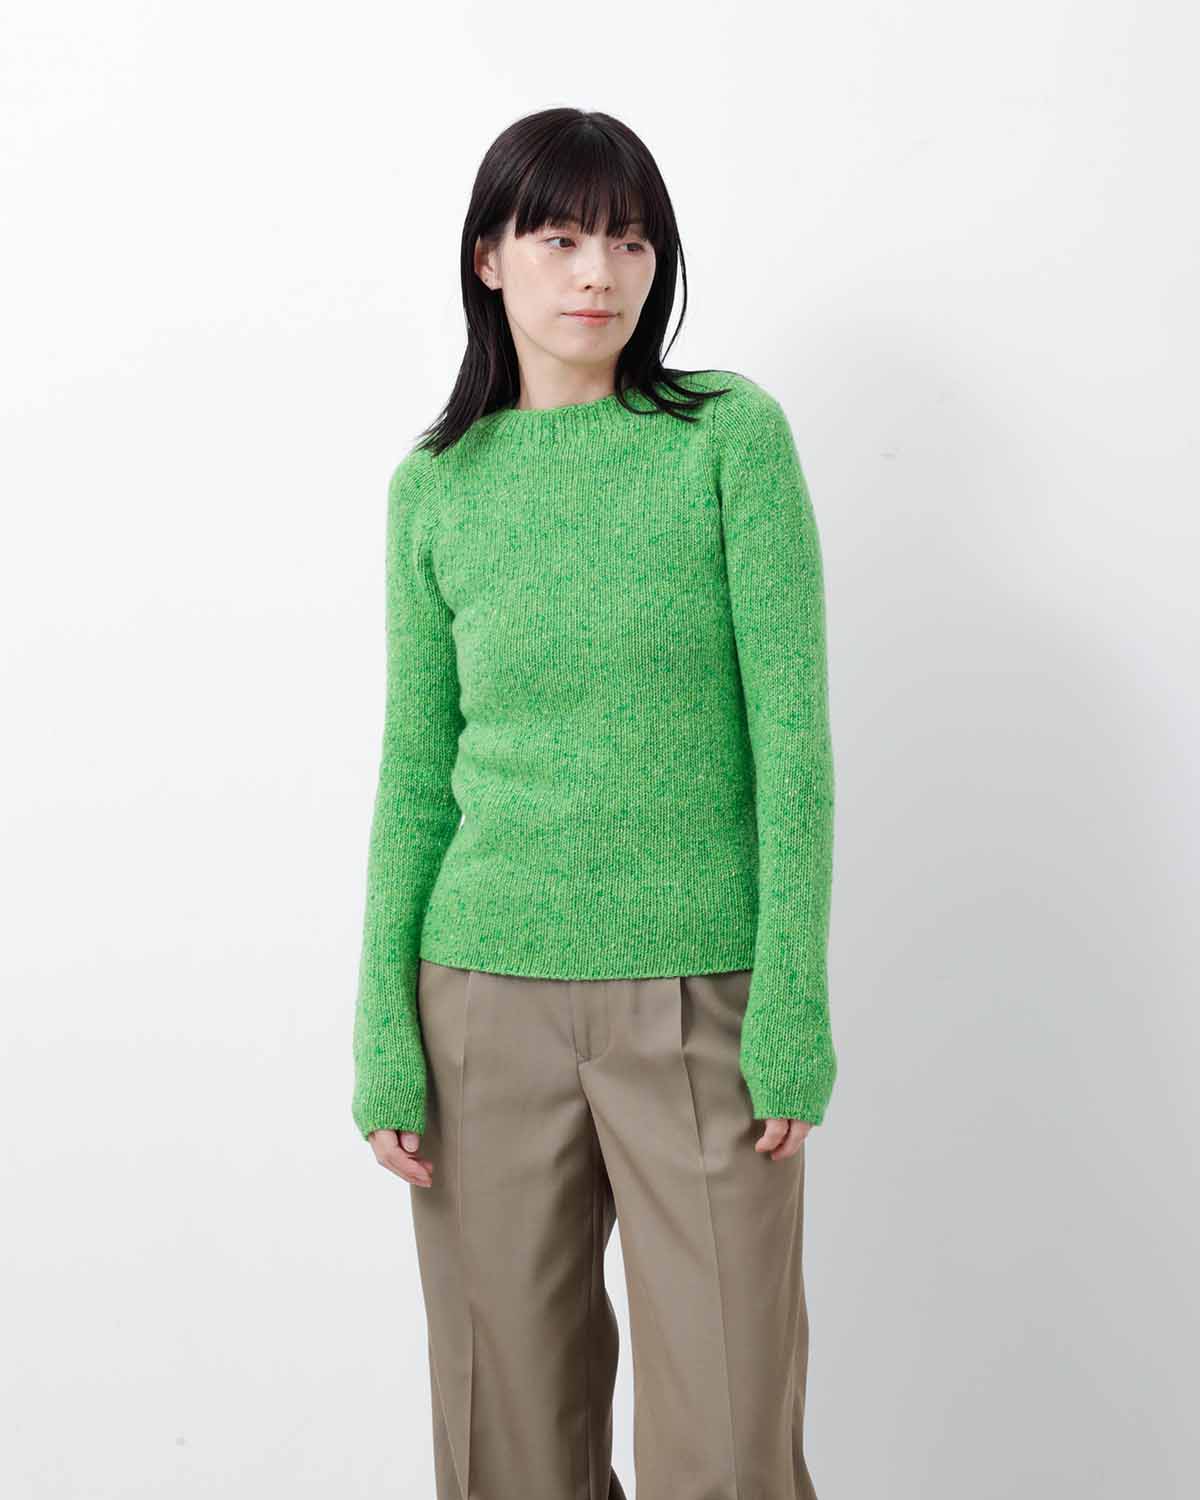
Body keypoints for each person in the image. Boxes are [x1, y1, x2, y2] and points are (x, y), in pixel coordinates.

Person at [351, 105, 838, 1500]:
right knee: (507, 1441)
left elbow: (793, 743)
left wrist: (792, 1003)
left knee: (729, 1443)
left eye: (630, 242)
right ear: (488, 257)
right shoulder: (435, 486)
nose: (598, 274)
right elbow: (414, 773)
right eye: (561, 237)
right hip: (480, 1005)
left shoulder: (726, 438)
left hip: (701, 995)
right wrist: (385, 1032)